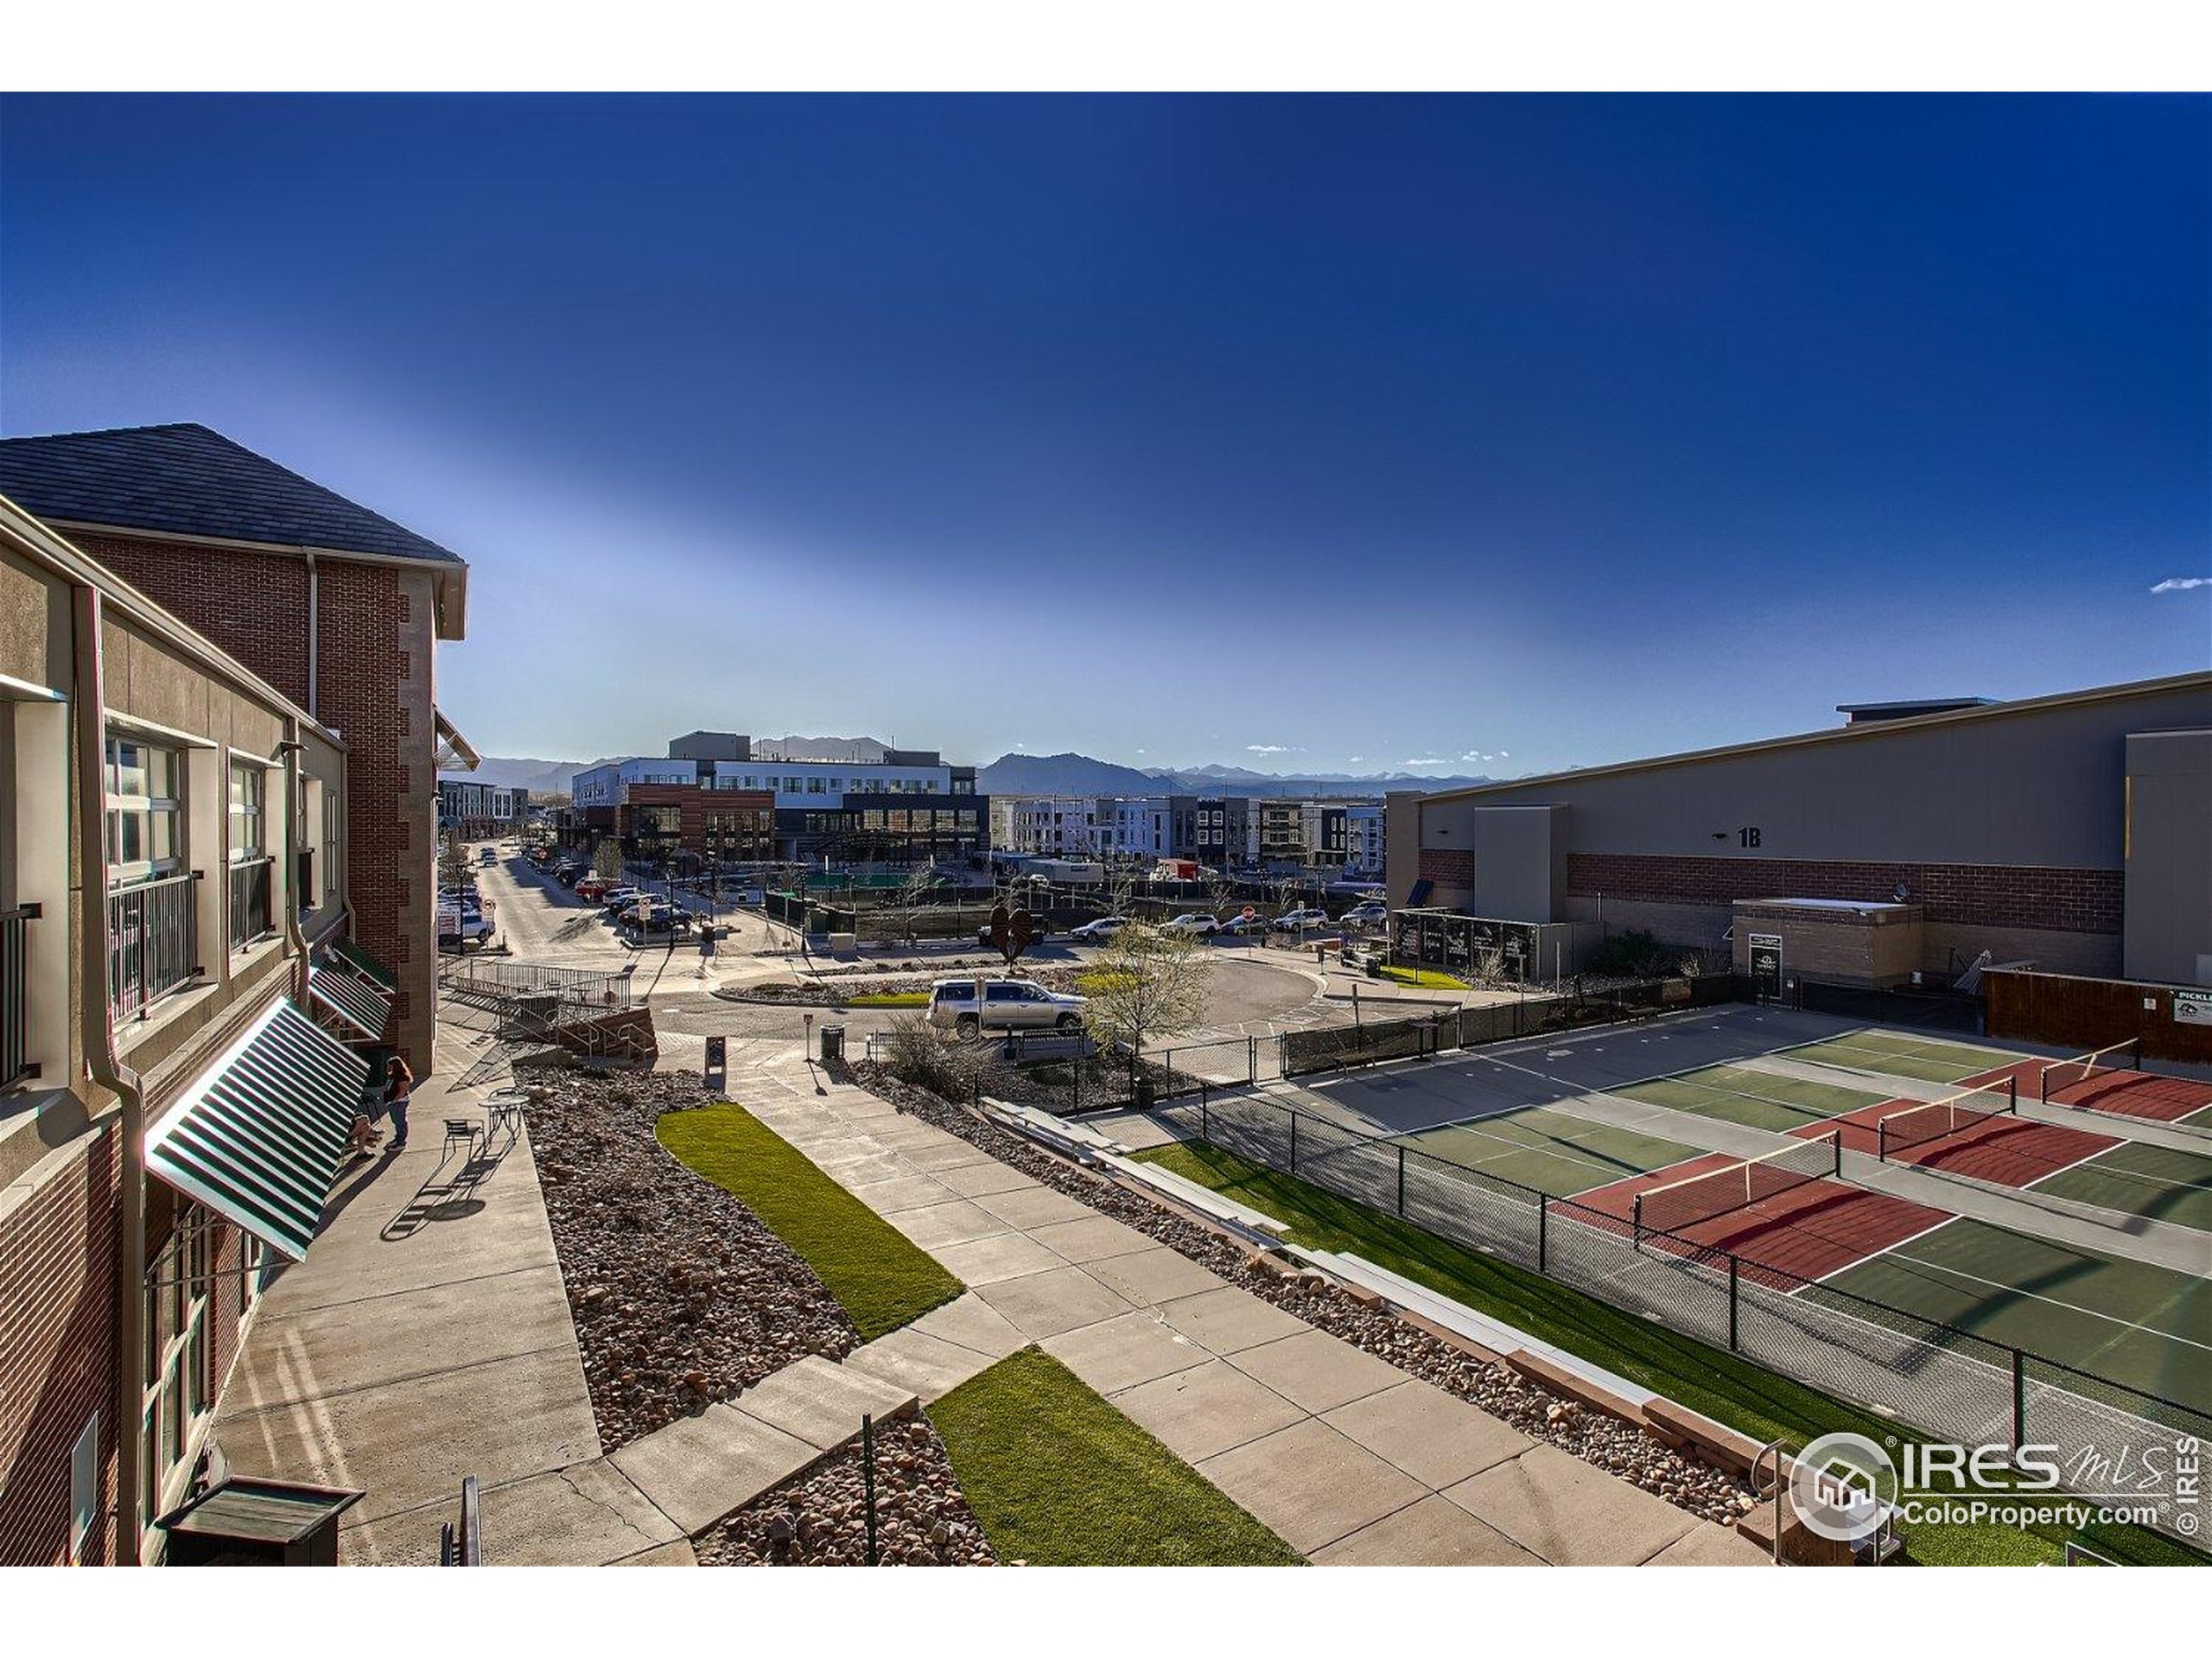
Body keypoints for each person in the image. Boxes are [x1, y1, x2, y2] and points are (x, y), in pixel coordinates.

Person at [384, 1053, 415, 1152]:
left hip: (399, 1102)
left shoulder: (402, 1077)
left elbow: (402, 1090)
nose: (388, 1067)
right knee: (396, 1121)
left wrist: (395, 1100)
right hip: (393, 1101)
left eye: (390, 1066)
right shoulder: (394, 1075)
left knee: (400, 1122)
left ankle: (401, 1142)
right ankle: (397, 1138)